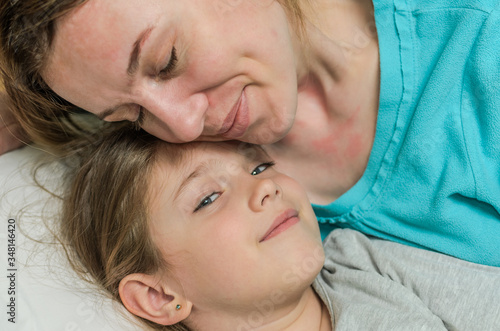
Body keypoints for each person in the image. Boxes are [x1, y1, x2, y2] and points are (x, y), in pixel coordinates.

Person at [1, 0, 500, 266]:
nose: (181, 125)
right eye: (131, 115)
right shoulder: (188, 200)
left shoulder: (477, 38)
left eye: (166, 60)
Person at [60, 125, 500, 331]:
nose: (266, 187)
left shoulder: (360, 258)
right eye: (208, 198)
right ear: (159, 296)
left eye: (259, 165)